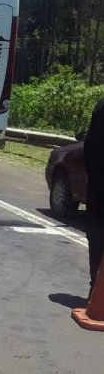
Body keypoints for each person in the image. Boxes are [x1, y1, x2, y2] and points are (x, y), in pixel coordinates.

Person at [84, 97, 104, 288]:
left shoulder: (100, 106)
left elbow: (89, 145)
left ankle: (96, 287)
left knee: (97, 238)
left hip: (98, 185)